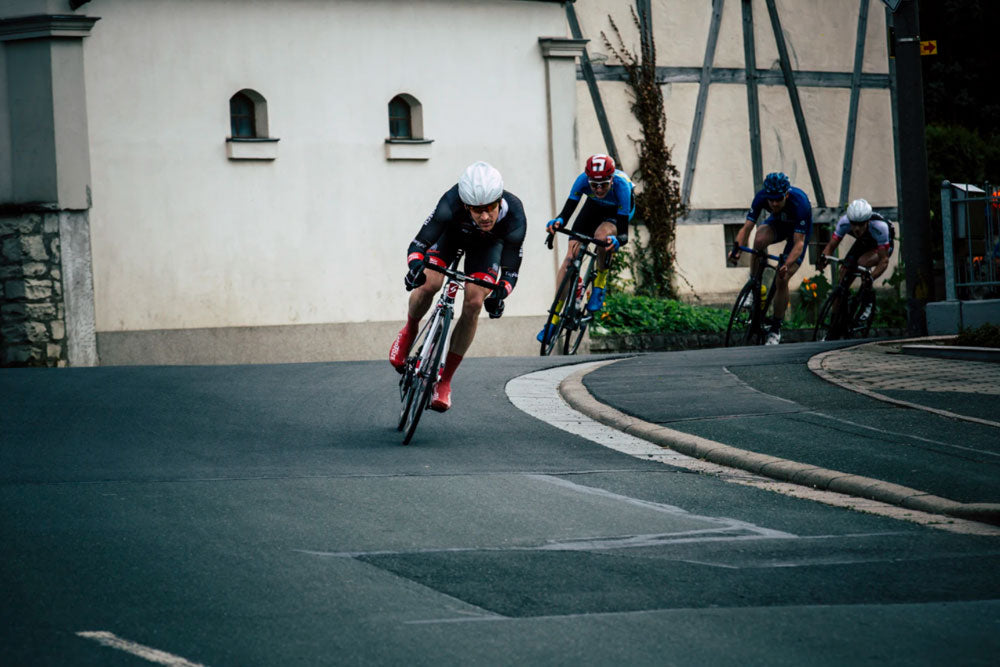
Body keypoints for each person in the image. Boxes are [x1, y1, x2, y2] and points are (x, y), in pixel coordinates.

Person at [389, 161, 526, 412]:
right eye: (477, 210)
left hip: (487, 247)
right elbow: (419, 243)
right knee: (430, 282)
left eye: (490, 209)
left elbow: (511, 269)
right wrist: (414, 267)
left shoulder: (515, 214)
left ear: (499, 201)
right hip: (450, 237)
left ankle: (445, 381)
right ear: (466, 206)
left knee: (475, 301)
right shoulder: (451, 202)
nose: (485, 216)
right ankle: (409, 330)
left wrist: (500, 294)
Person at [539, 154, 634, 343]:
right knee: (569, 259)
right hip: (593, 209)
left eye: (604, 185)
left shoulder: (622, 187)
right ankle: (553, 319)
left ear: (612, 180)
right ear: (588, 180)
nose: (598, 189)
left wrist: (616, 242)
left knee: (601, 236)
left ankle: (600, 282)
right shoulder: (582, 181)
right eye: (594, 185)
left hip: (616, 213)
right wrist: (558, 222)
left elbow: (623, 234)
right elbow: (566, 213)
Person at [728, 171, 813, 345]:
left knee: (782, 278)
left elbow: (798, 245)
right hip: (779, 225)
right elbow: (747, 228)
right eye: (771, 199)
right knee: (759, 240)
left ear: (786, 195)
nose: (774, 203)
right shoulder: (761, 197)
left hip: (798, 235)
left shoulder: (801, 203)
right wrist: (737, 249)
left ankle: (775, 329)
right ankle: (754, 286)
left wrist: (786, 265)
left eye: (778, 199)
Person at [816, 198, 894, 292]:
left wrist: (872, 277)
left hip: (880, 246)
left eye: (861, 224)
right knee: (843, 275)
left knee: (862, 262)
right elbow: (831, 246)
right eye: (854, 224)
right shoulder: (844, 222)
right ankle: (840, 302)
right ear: (849, 220)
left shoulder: (880, 227)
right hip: (863, 243)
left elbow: (884, 261)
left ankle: (866, 297)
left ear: (868, 221)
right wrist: (823, 257)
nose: (857, 228)